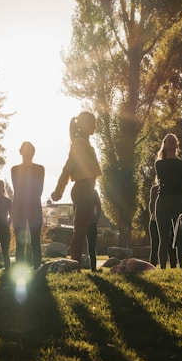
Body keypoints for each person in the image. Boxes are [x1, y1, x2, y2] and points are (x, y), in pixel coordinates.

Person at [51, 112, 102, 269]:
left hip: (86, 189)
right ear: (84, 124)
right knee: (80, 231)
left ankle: (74, 264)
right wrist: (58, 190)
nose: (95, 125)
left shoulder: (83, 142)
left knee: (81, 229)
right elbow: (69, 167)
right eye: (92, 122)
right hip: (82, 189)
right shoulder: (79, 143)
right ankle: (74, 265)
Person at [155, 133, 182, 269]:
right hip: (163, 199)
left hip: (179, 198)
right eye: (168, 140)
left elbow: (180, 180)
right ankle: (162, 267)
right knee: (164, 237)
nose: (170, 142)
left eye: (173, 140)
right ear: (164, 144)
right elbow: (165, 179)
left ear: (177, 144)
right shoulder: (159, 164)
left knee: (181, 236)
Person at [11, 141, 45, 270]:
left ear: (33, 153)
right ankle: (20, 268)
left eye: (29, 151)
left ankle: (37, 267)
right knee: (20, 241)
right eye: (24, 151)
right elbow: (17, 188)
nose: (27, 154)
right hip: (19, 208)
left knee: (35, 240)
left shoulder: (39, 168)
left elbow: (39, 189)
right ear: (20, 152)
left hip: (34, 207)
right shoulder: (15, 169)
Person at [86, 189, 102, 272]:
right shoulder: (93, 192)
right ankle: (93, 269)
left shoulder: (79, 190)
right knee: (91, 247)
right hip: (91, 222)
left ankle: (75, 268)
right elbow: (99, 205)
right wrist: (96, 217)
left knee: (79, 245)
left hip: (82, 221)